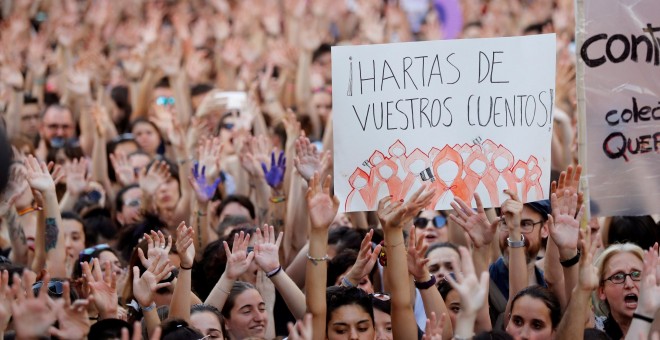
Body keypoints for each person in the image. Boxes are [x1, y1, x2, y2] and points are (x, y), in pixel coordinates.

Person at [593, 243, 644, 338]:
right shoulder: (594, 331)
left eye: (636, 274)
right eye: (618, 277)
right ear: (602, 291)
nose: (629, 284)